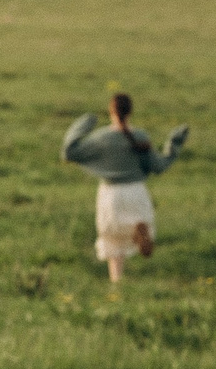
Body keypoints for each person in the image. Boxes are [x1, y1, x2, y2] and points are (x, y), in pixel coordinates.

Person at [62, 92, 189, 283]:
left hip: (111, 194)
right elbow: (159, 166)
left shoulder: (102, 138)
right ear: (130, 112)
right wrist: (174, 144)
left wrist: (84, 124)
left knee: (112, 241)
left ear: (111, 111)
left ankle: (117, 283)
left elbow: (69, 152)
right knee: (132, 228)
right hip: (136, 192)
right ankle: (139, 231)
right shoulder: (140, 137)